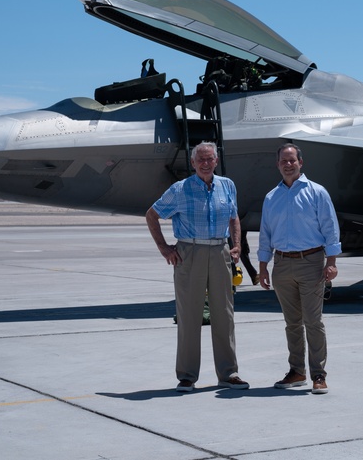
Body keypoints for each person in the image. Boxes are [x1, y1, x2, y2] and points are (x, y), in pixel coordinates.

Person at [145, 141, 249, 393]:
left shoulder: (227, 185)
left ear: (216, 161)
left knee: (224, 314)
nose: (205, 163)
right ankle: (187, 376)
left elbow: (234, 216)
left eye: (209, 159)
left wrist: (236, 246)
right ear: (192, 163)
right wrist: (164, 248)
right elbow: (152, 214)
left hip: (219, 251)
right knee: (189, 315)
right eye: (200, 159)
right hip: (189, 252)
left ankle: (229, 373)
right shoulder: (180, 189)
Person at [258, 143, 341, 395]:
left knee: (313, 321)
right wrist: (263, 267)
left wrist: (332, 262)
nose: (288, 164)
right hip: (281, 265)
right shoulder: (271, 197)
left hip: (311, 262)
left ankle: (318, 374)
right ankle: (297, 371)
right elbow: (265, 235)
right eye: (283, 160)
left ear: (300, 163)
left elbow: (330, 227)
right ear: (278, 164)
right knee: (292, 323)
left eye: (292, 160)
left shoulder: (317, 193)